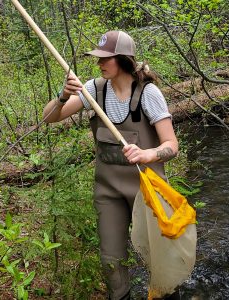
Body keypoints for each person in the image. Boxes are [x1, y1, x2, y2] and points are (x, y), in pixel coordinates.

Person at [43, 30, 178, 300]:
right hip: (108, 191)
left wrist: (148, 154)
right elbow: (50, 118)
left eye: (107, 58)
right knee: (111, 259)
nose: (100, 63)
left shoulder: (148, 94)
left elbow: (171, 145)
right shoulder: (93, 89)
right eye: (98, 58)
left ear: (124, 60)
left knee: (158, 257)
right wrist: (61, 96)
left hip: (146, 190)